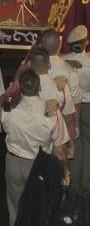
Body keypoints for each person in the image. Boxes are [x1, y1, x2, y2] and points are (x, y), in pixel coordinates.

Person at [1, 69, 69, 226]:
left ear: (21, 87)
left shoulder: (8, 110)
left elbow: (5, 105)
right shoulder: (51, 113)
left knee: (15, 213)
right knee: (40, 213)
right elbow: (60, 150)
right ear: (39, 87)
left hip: (13, 163)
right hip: (39, 168)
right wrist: (65, 172)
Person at [41, 28, 81, 159]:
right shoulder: (70, 71)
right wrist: (75, 130)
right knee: (59, 170)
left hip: (38, 127)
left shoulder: (31, 68)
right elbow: (75, 105)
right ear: (59, 46)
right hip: (61, 128)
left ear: (41, 45)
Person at [28, 46, 76, 158]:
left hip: (27, 144)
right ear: (49, 65)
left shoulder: (22, 86)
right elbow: (69, 120)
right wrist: (71, 146)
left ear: (29, 65)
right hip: (52, 145)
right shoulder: (61, 87)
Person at [62, 25, 90, 189]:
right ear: (85, 42)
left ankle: (72, 184)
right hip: (87, 107)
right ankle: (86, 184)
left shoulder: (62, 60)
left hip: (69, 110)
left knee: (72, 146)